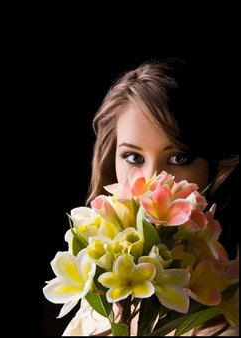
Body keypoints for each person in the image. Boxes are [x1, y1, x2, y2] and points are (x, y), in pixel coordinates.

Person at [62, 58, 239, 336]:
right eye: (133, 157)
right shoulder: (93, 289)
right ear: (112, 160)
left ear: (213, 166)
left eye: (179, 158)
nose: (153, 181)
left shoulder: (229, 298)